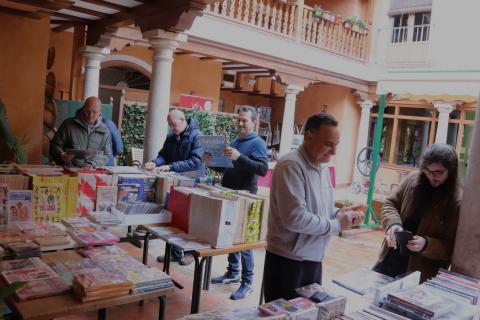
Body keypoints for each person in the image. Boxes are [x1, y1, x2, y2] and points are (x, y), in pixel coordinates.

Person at [264, 112, 364, 302]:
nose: (334, 152)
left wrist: (340, 214)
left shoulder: (322, 167)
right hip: (287, 262)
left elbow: (322, 210)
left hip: (313, 259)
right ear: (309, 137)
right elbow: (295, 218)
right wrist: (336, 224)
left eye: (336, 145)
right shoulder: (290, 165)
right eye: (328, 144)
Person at [373, 143, 462, 282]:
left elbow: (451, 247)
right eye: (427, 170)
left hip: (420, 273)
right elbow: (391, 204)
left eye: (438, 172)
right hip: (389, 258)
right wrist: (393, 225)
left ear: (451, 171)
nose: (432, 177)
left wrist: (426, 244)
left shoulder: (457, 201)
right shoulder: (412, 180)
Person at [207, 105, 268, 300]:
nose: (240, 123)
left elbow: (262, 169)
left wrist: (239, 157)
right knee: (230, 236)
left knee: (245, 242)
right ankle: (233, 272)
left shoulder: (258, 143)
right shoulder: (235, 141)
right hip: (230, 195)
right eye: (239, 120)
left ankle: (247, 282)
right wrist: (211, 162)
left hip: (246, 198)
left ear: (253, 122)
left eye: (244, 120)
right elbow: (227, 168)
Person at [144, 110, 203, 266]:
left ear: (183, 120)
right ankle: (175, 253)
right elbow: (163, 155)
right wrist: (155, 163)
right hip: (175, 183)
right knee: (175, 217)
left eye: (173, 124)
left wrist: (171, 166)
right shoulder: (171, 137)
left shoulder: (197, 136)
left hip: (192, 183)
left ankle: (190, 253)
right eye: (169, 125)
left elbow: (196, 162)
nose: (172, 128)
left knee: (191, 219)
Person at [49, 96, 111, 169]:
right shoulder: (68, 125)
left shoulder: (104, 130)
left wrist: (92, 163)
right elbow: (54, 146)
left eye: (94, 112)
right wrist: (61, 155)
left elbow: (106, 155)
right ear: (83, 109)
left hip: (91, 173)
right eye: (88, 111)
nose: (90, 115)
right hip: (69, 170)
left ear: (100, 112)